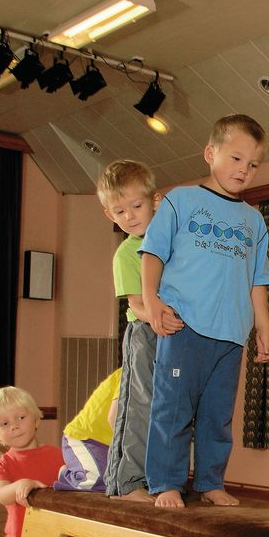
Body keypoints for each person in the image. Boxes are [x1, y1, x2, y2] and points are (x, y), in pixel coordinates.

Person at [140, 114, 269, 509]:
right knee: (174, 408)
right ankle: (165, 482)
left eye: (252, 165)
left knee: (217, 415)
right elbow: (152, 254)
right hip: (183, 326)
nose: (243, 170)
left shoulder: (253, 220)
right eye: (236, 159)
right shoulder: (180, 201)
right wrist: (152, 302)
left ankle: (210, 481)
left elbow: (257, 278)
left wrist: (263, 325)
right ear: (210, 153)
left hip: (231, 334)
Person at [99, 159, 182, 503]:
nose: (131, 216)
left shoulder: (172, 243)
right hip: (145, 334)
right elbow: (136, 304)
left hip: (172, 333)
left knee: (170, 407)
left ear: (155, 201)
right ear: (110, 215)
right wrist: (159, 318)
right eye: (120, 211)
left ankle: (160, 478)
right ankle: (126, 482)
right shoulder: (126, 253)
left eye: (137, 206)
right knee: (139, 405)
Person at [0, 386, 64, 537]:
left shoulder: (58, 455)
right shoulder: (1, 465)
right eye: (4, 423)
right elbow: (2, 495)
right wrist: (20, 485)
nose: (14, 426)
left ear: (36, 420)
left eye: (20, 417)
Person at [54, 368, 122, 492]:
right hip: (85, 438)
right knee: (99, 480)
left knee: (120, 483)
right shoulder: (132, 372)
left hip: (111, 445)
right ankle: (67, 475)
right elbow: (114, 419)